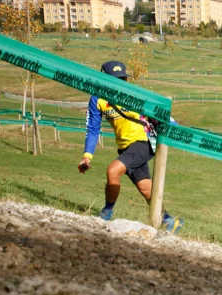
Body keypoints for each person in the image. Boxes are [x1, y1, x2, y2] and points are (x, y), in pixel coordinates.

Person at [78, 60, 183, 233]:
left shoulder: (135, 94)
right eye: (115, 79)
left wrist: (178, 131)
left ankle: (105, 214)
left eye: (122, 78)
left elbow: (161, 113)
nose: (120, 83)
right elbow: (93, 129)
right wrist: (87, 156)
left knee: (113, 170)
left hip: (144, 143)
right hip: (125, 147)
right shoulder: (97, 99)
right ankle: (170, 221)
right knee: (145, 188)